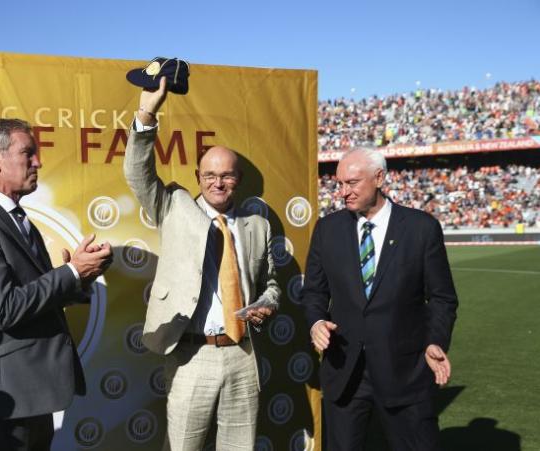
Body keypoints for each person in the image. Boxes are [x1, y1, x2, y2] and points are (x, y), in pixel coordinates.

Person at [123, 77, 281, 450]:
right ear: (198, 178)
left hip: (242, 355)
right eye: (209, 175)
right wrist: (148, 112)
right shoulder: (174, 206)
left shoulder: (258, 225)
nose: (218, 182)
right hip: (190, 355)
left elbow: (271, 283)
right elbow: (137, 174)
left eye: (226, 175)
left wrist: (268, 303)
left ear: (238, 180)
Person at [0, 118, 113, 451]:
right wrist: (71, 273)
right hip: (2, 404)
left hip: (29, 395)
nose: (38, 162)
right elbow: (4, 309)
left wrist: (79, 276)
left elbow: (33, 298)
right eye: (28, 153)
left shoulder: (17, 220)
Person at [300, 148, 458, 451]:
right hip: (344, 373)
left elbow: (442, 298)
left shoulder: (421, 228)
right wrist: (317, 321)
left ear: (380, 178)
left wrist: (435, 340)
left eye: (352, 183)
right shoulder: (327, 229)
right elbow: (314, 292)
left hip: (406, 374)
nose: (343, 192)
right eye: (340, 184)